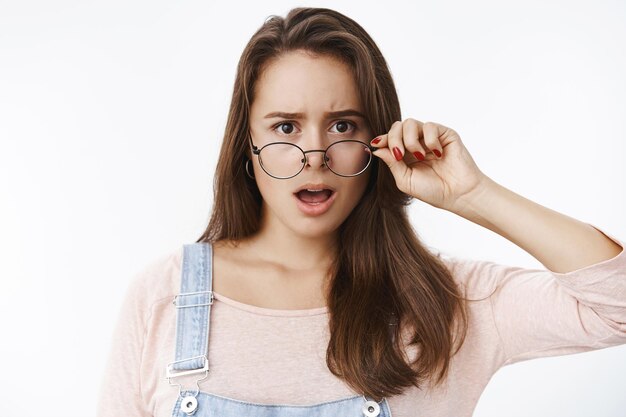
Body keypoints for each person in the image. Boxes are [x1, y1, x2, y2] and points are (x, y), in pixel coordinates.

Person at [96, 7, 626, 417]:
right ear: (246, 144)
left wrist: (473, 194)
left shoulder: (447, 302)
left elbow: (616, 307)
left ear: (378, 142)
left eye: (343, 125)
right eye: (285, 127)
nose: (316, 158)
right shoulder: (164, 295)